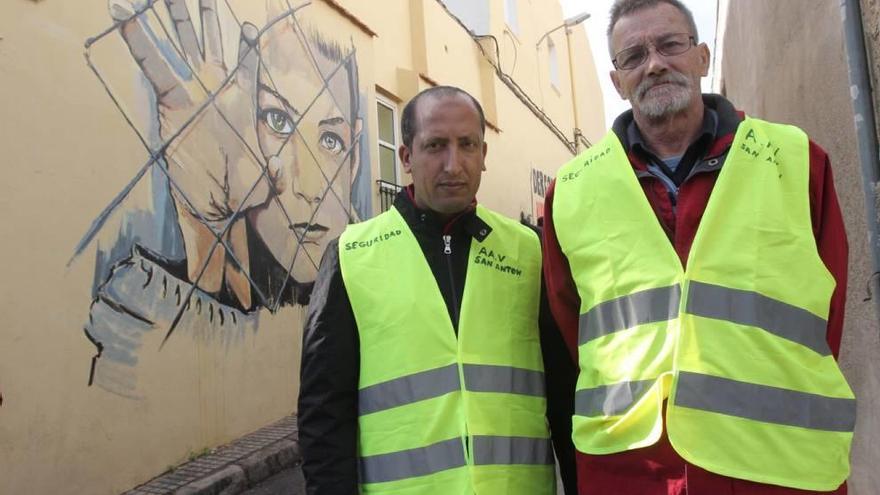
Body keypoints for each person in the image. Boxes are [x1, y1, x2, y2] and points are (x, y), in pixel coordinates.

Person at [542, 1, 856, 494]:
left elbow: (827, 311)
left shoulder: (795, 160)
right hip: (633, 471)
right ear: (616, 79)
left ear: (703, 56)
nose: (654, 64)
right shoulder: (571, 189)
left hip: (777, 467)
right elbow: (571, 323)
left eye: (670, 45)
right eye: (633, 56)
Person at [298, 86, 576, 494]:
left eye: (467, 145)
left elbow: (565, 394)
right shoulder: (352, 256)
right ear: (406, 157)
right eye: (435, 146)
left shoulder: (529, 251)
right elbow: (324, 413)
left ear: (484, 154)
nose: (453, 164)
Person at [83, 0, 366, 397]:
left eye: (331, 140)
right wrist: (205, 231)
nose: (309, 184)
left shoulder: (376, 290)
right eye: (278, 122)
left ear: (353, 159)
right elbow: (127, 379)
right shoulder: (145, 314)